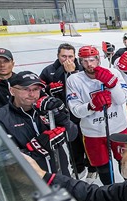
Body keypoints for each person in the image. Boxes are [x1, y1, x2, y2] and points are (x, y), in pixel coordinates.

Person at [66, 45, 127, 185]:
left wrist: (112, 84)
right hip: (93, 133)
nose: (89, 64)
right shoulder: (74, 80)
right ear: (80, 62)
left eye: (92, 60)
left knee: (126, 163)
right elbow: (75, 110)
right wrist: (91, 106)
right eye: (85, 61)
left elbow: (121, 99)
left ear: (98, 60)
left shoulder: (114, 73)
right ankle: (110, 192)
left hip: (118, 128)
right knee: (103, 168)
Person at [0, 71, 77, 176]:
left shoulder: (47, 109)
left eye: (36, 89)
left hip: (61, 176)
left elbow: (72, 135)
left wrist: (62, 119)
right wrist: (35, 149)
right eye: (25, 89)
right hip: (31, 183)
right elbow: (1, 161)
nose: (32, 94)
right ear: (12, 91)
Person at [40, 43, 94, 180]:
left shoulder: (83, 67)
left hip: (84, 112)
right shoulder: (49, 71)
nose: (67, 60)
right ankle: (79, 167)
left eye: (70, 56)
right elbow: (41, 92)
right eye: (64, 56)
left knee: (89, 140)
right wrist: (49, 91)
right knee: (73, 144)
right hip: (65, 115)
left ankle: (93, 166)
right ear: (58, 56)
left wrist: (73, 73)